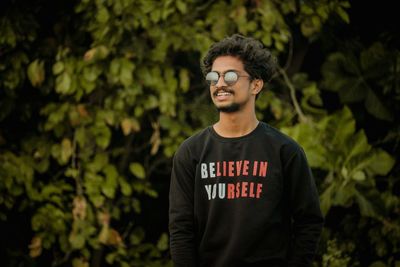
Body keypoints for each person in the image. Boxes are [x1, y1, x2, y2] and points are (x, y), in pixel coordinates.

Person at [169, 34, 324, 267]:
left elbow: (308, 222)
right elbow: (181, 229)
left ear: (256, 84)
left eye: (230, 76)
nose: (220, 83)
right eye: (214, 77)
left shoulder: (285, 151)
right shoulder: (191, 152)